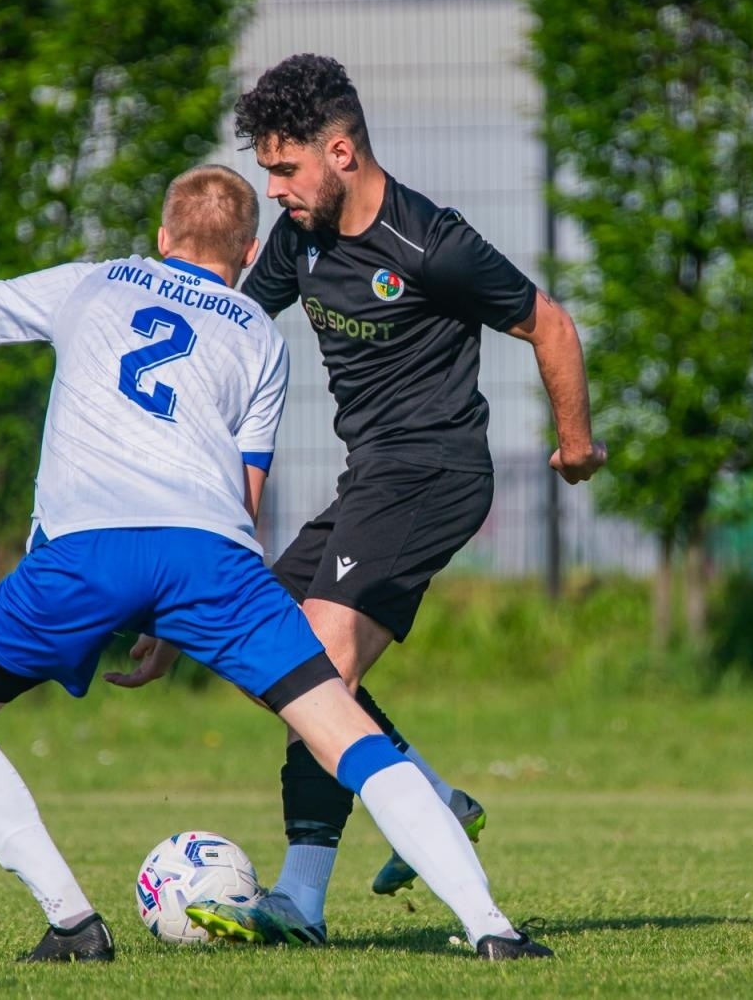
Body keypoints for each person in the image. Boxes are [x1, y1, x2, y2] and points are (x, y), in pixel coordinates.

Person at [0, 164, 552, 962]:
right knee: (346, 731)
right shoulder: (259, 335)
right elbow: (245, 492)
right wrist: (178, 615)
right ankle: (492, 928)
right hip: (210, 559)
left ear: (162, 238)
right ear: (249, 249)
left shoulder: (89, 284)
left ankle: (73, 922)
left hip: (83, 553)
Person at [200, 53, 606, 946]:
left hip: (435, 472)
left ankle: (300, 898)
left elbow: (551, 322)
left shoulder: (433, 241)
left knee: (322, 665)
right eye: (266, 170)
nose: (273, 190)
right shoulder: (298, 239)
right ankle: (431, 801)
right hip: (367, 477)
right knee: (261, 649)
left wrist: (575, 445)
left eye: (284, 168)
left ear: (340, 151)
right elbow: (229, 322)